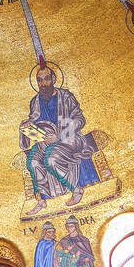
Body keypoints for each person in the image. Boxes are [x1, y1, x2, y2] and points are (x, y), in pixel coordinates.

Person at [20, 65, 100, 215]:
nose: (43, 84)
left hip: (68, 138)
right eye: (39, 81)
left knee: (51, 160)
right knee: (33, 162)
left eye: (46, 79)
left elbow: (80, 119)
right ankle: (41, 201)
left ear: (54, 79)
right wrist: (27, 125)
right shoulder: (35, 101)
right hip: (44, 141)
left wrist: (60, 135)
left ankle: (76, 190)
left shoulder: (66, 97)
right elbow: (34, 120)